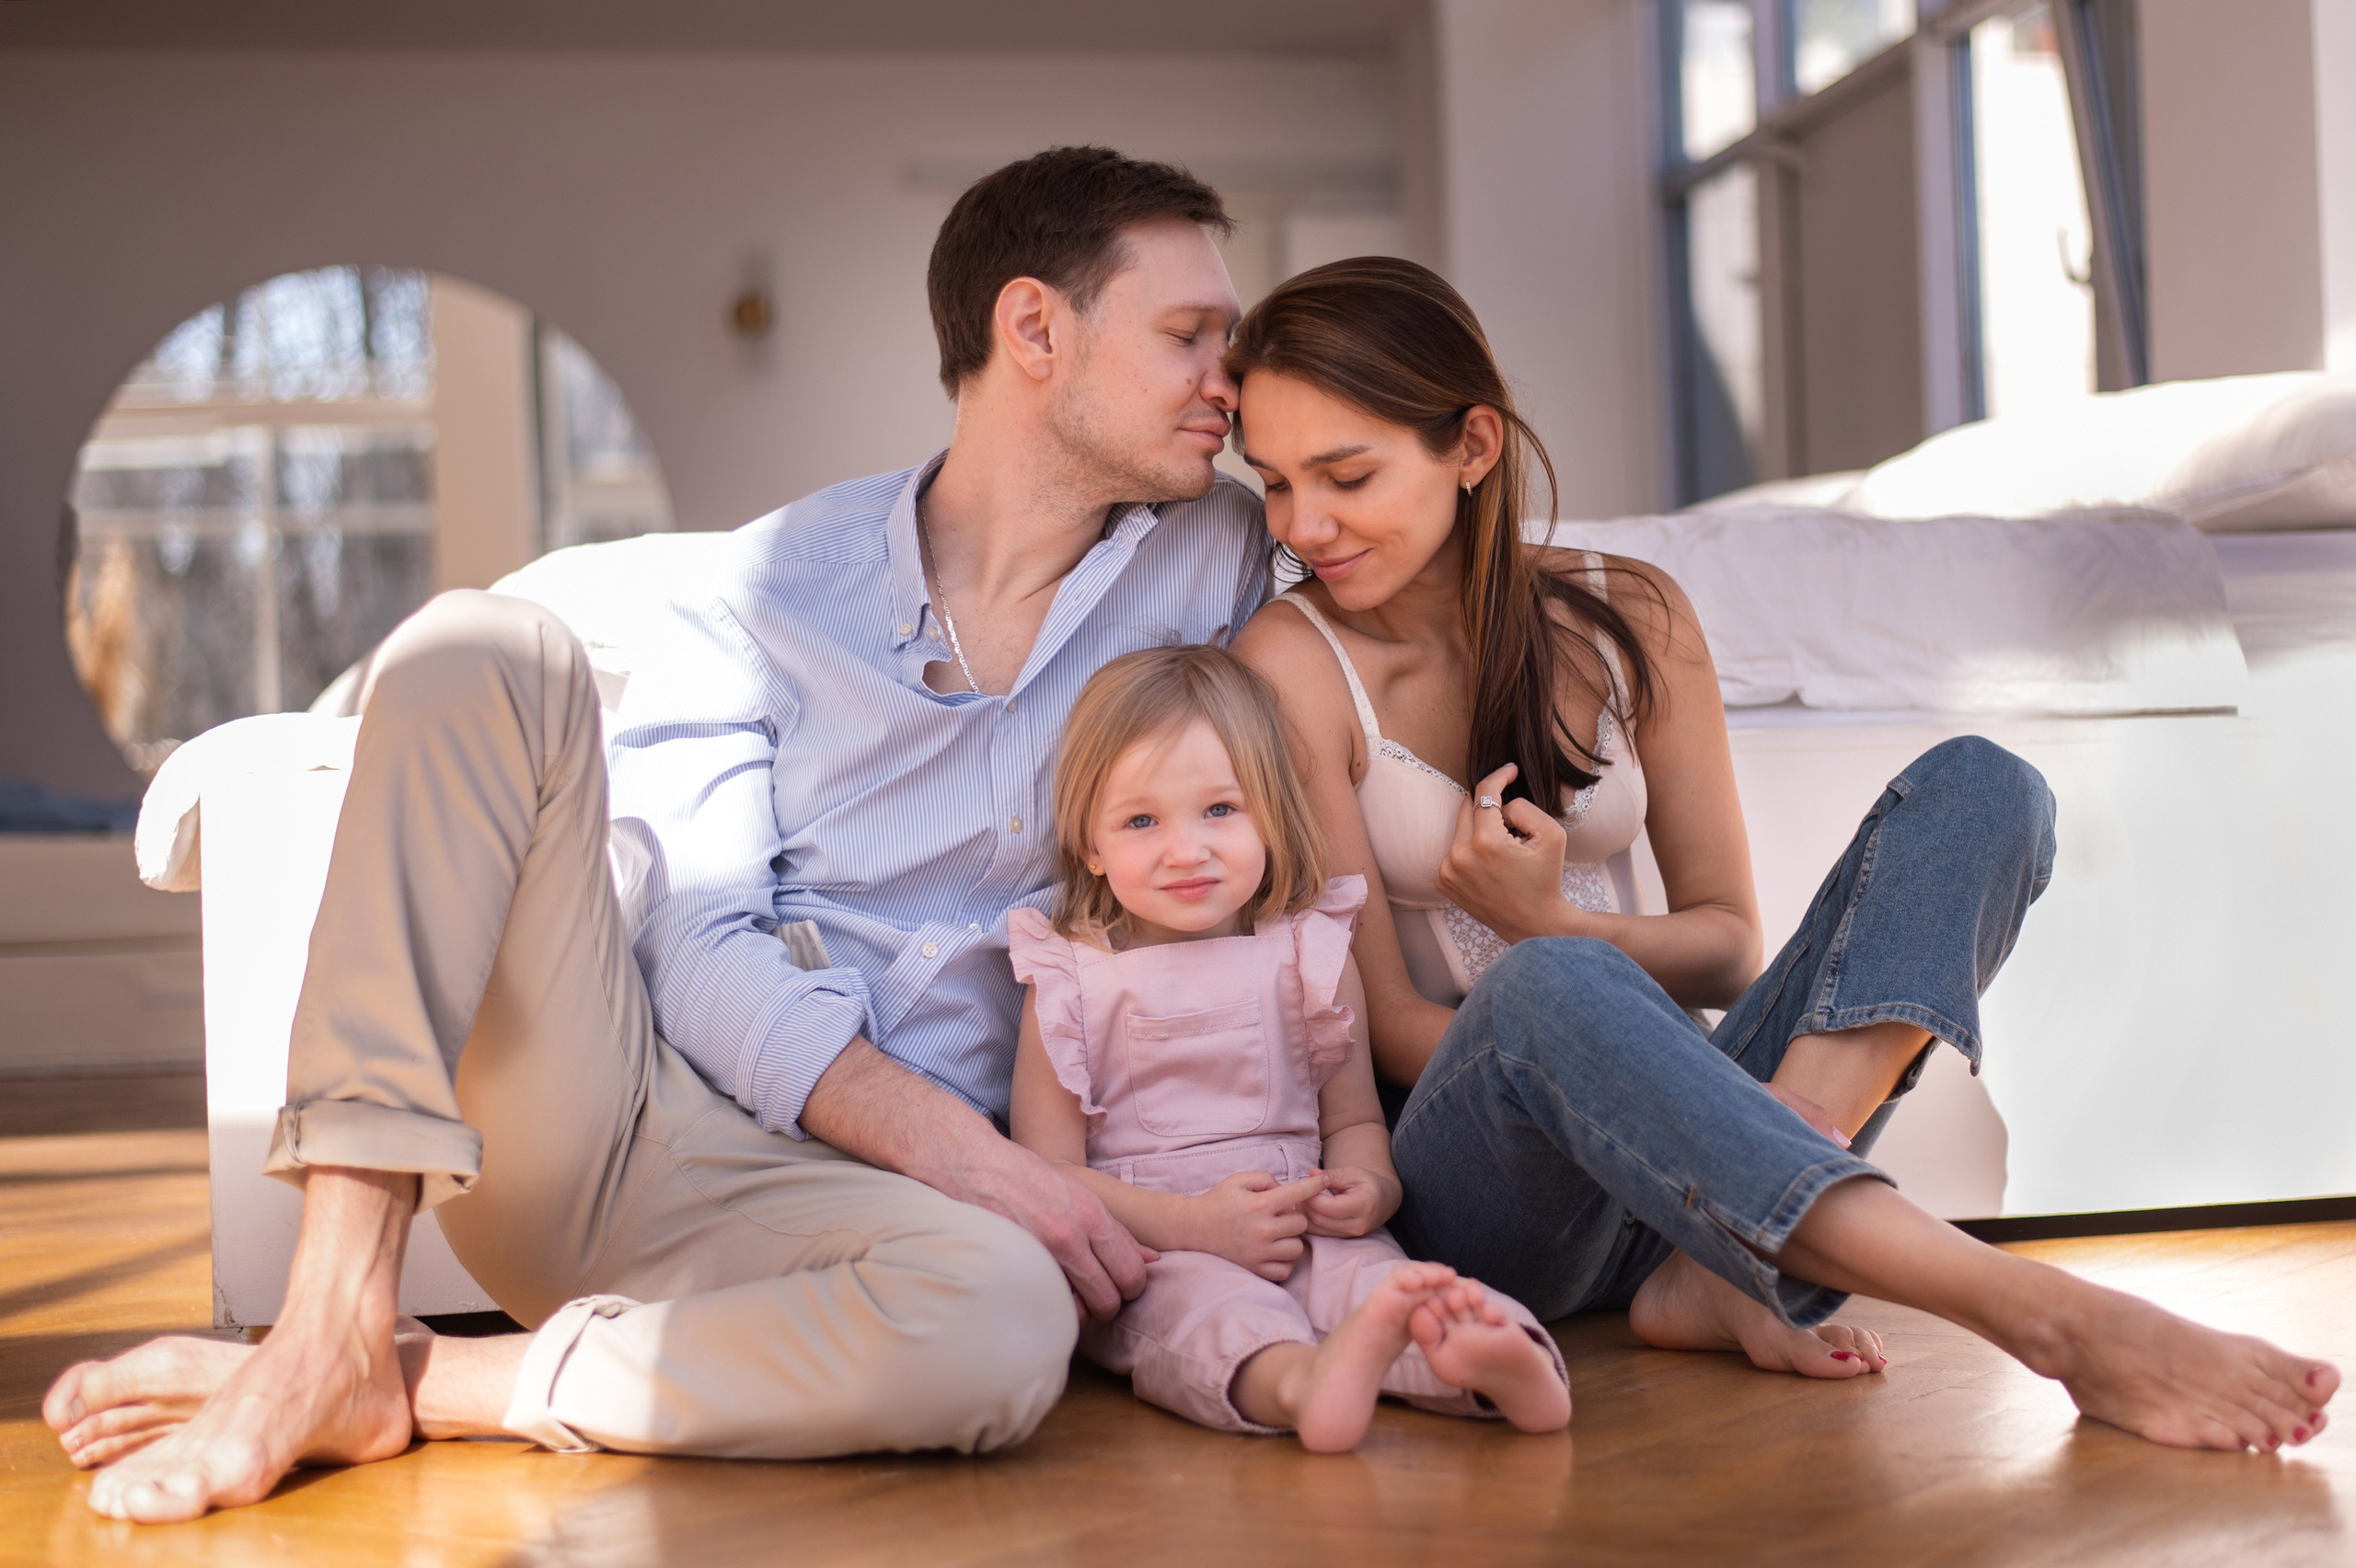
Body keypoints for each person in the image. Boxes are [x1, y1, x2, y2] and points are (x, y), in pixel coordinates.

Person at [44, 145, 1275, 1523]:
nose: (1230, 381)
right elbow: (696, 935)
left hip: (877, 1229)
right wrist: (974, 1155)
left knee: (1001, 1325)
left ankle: (412, 1384)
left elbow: (1411, 534)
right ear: (1036, 329)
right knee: (476, 646)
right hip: (637, 1133)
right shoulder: (765, 584)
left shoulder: (1218, 554)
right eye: (1191, 337)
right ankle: (331, 1307)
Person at [1227, 257, 2339, 1453]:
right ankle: (2053, 1321)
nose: (1302, 526)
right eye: (1276, 482)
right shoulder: (1291, 664)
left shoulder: (1629, 613)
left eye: (1345, 476)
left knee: (1985, 789)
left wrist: (1558, 921)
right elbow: (1386, 1027)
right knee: (1545, 987)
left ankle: (1726, 1263)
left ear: (1475, 446)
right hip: (1497, 1192)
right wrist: (1562, 972)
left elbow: (1725, 948)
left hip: (1693, 1151)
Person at [1005, 644, 1570, 1449]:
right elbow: (1050, 1175)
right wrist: (1193, 1225)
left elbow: (1353, 1122)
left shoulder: (1311, 952)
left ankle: (1491, 1363)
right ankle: (1302, 1385)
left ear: (1270, 813)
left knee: (1387, 1283)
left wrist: (1371, 1189)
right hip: (1156, 1246)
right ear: (1090, 846)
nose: (1186, 849)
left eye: (1221, 810)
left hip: (1304, 1222)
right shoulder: (1069, 975)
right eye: (1140, 821)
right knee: (1211, 1318)